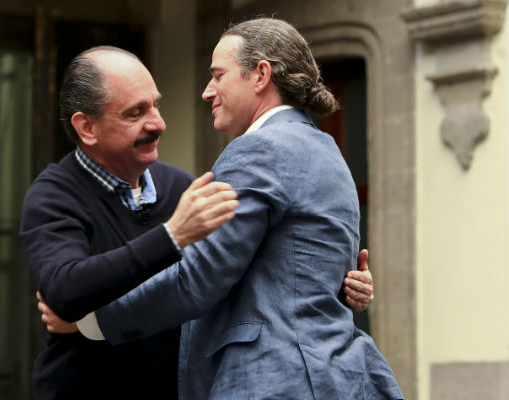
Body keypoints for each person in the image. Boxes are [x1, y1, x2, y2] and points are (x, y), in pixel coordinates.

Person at [72, 18, 403, 399]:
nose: (207, 92)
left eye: (218, 75)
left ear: (260, 75)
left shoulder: (258, 150)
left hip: (275, 381)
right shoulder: (327, 150)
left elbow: (199, 277)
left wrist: (91, 319)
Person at [20, 46, 239, 399]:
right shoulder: (54, 194)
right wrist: (172, 237)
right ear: (86, 127)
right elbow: (65, 290)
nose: (158, 123)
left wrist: (341, 280)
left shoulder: (182, 187)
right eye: (135, 112)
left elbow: (243, 267)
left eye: (155, 104)